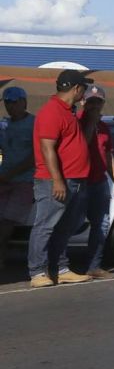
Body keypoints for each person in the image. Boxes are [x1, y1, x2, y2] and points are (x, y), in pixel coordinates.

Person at [28, 70, 95, 287]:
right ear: (76, 89)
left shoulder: (69, 112)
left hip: (75, 179)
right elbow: (47, 148)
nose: (84, 93)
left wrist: (89, 118)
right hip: (54, 181)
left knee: (64, 227)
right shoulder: (52, 112)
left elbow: (75, 143)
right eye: (83, 88)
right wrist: (57, 180)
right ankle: (37, 272)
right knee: (45, 226)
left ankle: (61, 268)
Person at [77, 85, 114, 279]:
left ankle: (94, 266)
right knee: (72, 223)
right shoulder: (77, 122)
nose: (95, 106)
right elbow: (81, 146)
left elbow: (109, 155)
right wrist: (90, 123)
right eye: (91, 102)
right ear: (83, 102)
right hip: (80, 182)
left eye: (98, 102)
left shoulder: (104, 128)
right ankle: (56, 265)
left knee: (101, 224)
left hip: (99, 181)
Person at [0, 87, 35, 265]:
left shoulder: (34, 123)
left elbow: (37, 155)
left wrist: (12, 174)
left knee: (8, 219)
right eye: (7, 102)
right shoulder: (3, 125)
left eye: (14, 102)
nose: (10, 106)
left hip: (24, 180)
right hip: (4, 179)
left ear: (24, 102)